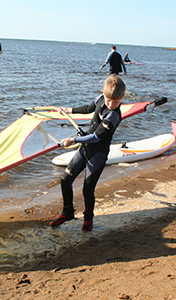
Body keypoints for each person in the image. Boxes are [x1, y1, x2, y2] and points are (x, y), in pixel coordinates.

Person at [50, 75, 126, 232]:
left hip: (97, 155)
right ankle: (67, 213)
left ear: (122, 99)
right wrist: (68, 110)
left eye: (116, 102)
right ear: (103, 95)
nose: (111, 104)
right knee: (65, 180)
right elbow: (88, 108)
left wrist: (74, 139)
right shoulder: (100, 99)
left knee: (87, 190)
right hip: (84, 149)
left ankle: (88, 220)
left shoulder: (113, 116)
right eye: (108, 100)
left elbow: (96, 137)